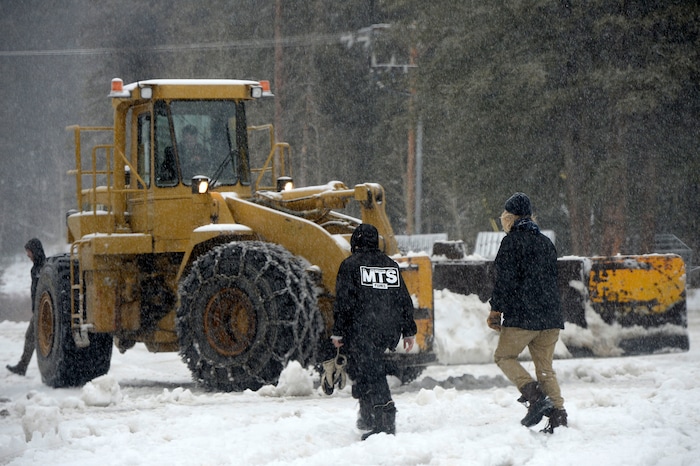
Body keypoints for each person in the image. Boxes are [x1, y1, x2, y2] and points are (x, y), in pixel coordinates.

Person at [487, 193, 568, 434]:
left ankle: (534, 395)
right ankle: (559, 418)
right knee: (545, 369)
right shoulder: (546, 242)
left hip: (524, 316)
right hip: (550, 316)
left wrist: (495, 310)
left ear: (509, 218)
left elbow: (504, 281)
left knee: (504, 357)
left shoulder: (511, 242)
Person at [331, 223, 417, 440]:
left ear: (355, 241)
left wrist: (338, 332)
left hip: (362, 328)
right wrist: (408, 330)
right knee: (364, 369)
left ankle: (386, 419)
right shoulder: (390, 265)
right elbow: (403, 300)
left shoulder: (350, 265)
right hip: (387, 328)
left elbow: (343, 302)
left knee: (372, 372)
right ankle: (368, 415)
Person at [7, 238, 46, 376]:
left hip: (42, 311)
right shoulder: (35, 268)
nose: (28, 255)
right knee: (33, 337)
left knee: (31, 336)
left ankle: (23, 366)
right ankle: (23, 366)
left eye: (29, 252)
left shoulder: (44, 268)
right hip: (38, 310)